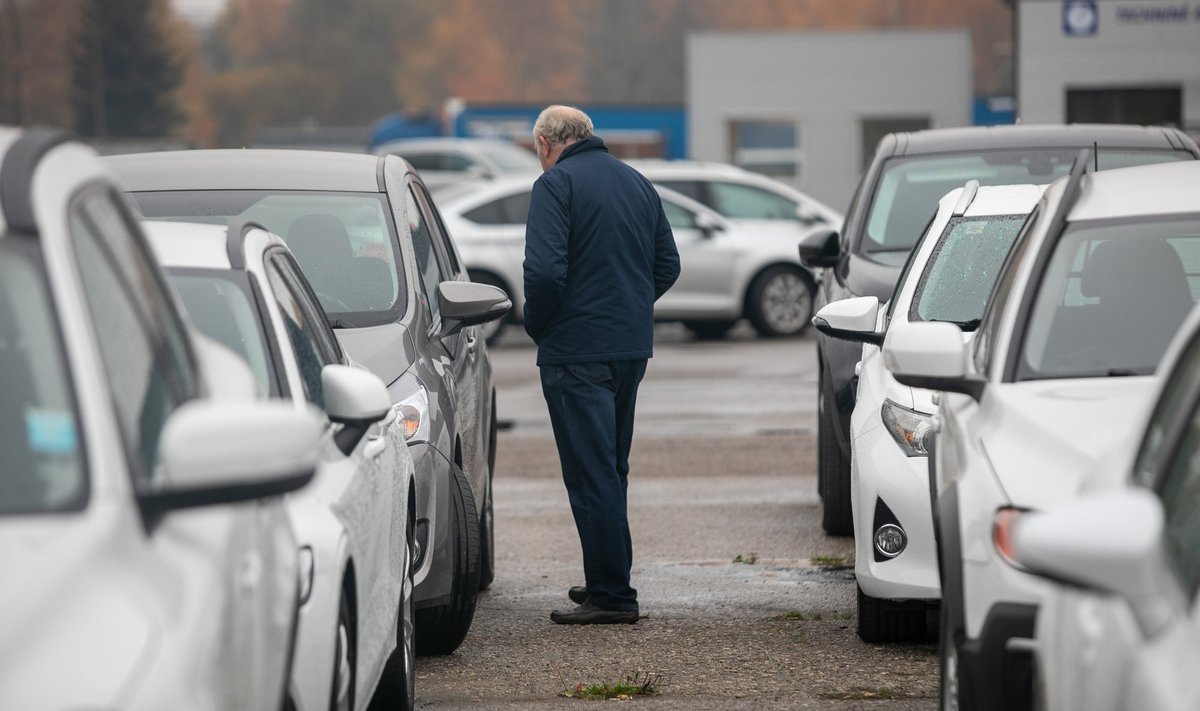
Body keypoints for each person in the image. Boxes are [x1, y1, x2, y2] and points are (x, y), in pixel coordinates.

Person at [523, 105, 681, 625]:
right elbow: (668, 265)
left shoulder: (555, 186)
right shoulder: (637, 183)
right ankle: (605, 578)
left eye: (536, 150)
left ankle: (612, 595)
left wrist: (539, 325)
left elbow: (545, 273)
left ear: (547, 143)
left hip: (576, 351)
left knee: (591, 474)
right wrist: (629, 308)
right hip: (629, 349)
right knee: (610, 468)